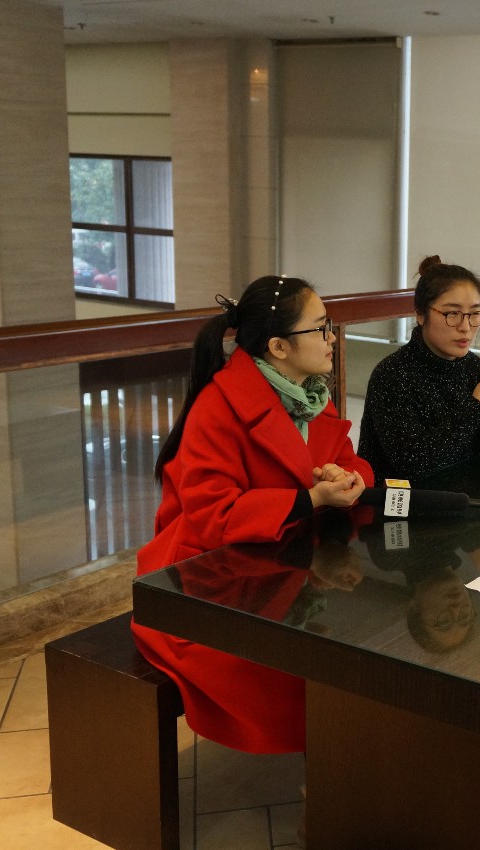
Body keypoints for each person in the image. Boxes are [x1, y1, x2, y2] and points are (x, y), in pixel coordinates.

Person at [132, 274, 373, 755]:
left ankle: (343, 767)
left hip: (282, 561)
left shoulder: (308, 394)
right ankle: (331, 775)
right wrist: (311, 499)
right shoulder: (220, 405)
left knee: (361, 648)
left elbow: (348, 458)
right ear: (279, 347)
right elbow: (213, 513)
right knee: (293, 676)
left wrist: (350, 479)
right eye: (321, 328)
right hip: (210, 580)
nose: (331, 339)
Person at [358, 255, 480, 481]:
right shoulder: (393, 374)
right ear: (421, 314)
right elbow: (414, 464)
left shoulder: (471, 367)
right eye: (452, 314)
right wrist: (478, 407)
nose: (465, 327)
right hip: (401, 500)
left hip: (462, 495)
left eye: (474, 314)